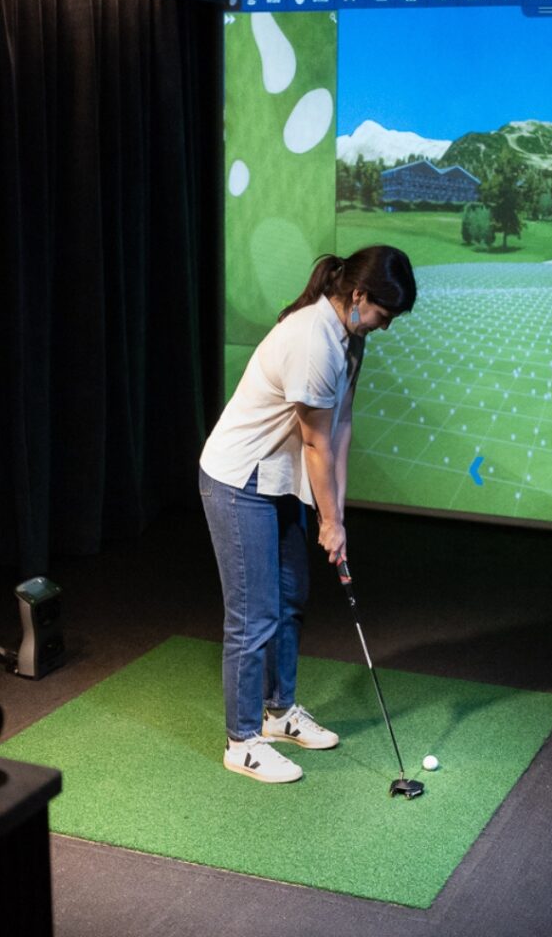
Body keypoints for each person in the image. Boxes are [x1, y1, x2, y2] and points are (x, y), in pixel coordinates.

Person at [199, 245, 417, 783]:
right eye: (384, 314)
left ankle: (278, 713)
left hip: (281, 481)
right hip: (240, 480)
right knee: (254, 616)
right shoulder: (311, 340)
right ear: (359, 295)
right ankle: (242, 741)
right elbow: (316, 444)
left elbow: (341, 427)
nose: (386, 325)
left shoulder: (351, 339)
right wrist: (329, 523)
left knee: (290, 600)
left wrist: (336, 513)